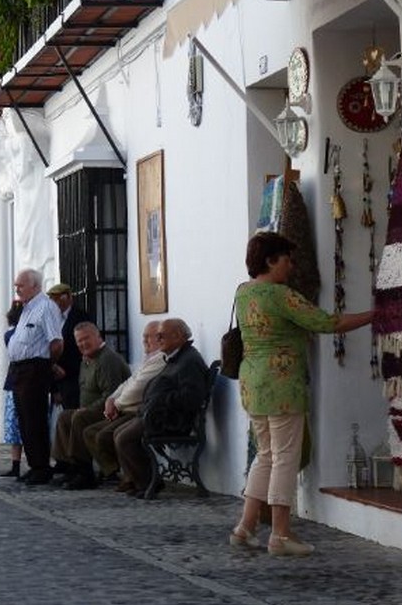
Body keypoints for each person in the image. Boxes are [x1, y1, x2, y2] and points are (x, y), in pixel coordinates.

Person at [230, 231, 374, 556]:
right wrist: (373, 316)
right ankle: (280, 534)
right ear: (270, 260)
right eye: (287, 260)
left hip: (252, 380)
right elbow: (326, 322)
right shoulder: (280, 294)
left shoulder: (243, 292)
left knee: (265, 454)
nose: (291, 267)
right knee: (285, 457)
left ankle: (246, 525)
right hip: (282, 383)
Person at [113, 317, 209, 499]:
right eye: (157, 336)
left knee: (124, 438)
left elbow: (191, 398)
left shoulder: (189, 361)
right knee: (118, 433)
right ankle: (139, 480)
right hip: (156, 414)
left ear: (178, 336)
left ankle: (150, 482)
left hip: (171, 419)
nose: (158, 340)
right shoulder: (175, 357)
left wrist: (160, 399)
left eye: (162, 335)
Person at [84, 320, 166, 491]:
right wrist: (111, 400)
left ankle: (135, 478)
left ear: (160, 339)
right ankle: (120, 474)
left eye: (148, 338)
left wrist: (117, 404)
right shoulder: (150, 358)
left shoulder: (160, 359)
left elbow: (138, 388)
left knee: (112, 435)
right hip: (127, 409)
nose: (144, 341)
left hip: (137, 411)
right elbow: (128, 383)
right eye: (143, 337)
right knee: (92, 431)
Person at [50, 322, 130, 490]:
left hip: (113, 412)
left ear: (98, 336)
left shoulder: (107, 359)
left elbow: (112, 395)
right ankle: (68, 465)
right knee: (65, 416)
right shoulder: (86, 359)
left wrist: (88, 409)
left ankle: (84, 472)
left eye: (86, 339)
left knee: (79, 417)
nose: (82, 344)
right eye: (79, 341)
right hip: (92, 410)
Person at [8, 268, 65, 485]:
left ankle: (42, 467)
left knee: (35, 419)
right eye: (16, 285)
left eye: (21, 285)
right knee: (24, 420)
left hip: (35, 368)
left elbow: (56, 342)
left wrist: (48, 365)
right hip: (20, 369)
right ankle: (34, 465)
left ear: (35, 286)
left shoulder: (45, 307)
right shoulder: (26, 309)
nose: (17, 289)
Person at [46, 283, 93, 411]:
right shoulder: (52, 319)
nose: (52, 303)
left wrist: (66, 371)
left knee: (72, 416)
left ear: (66, 298)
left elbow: (85, 350)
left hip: (74, 378)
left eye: (55, 299)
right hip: (55, 376)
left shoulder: (80, 317)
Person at [0, 302, 24, 478]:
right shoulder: (14, 334)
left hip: (13, 381)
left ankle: (16, 465)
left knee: (15, 427)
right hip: (22, 380)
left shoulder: (9, 334)